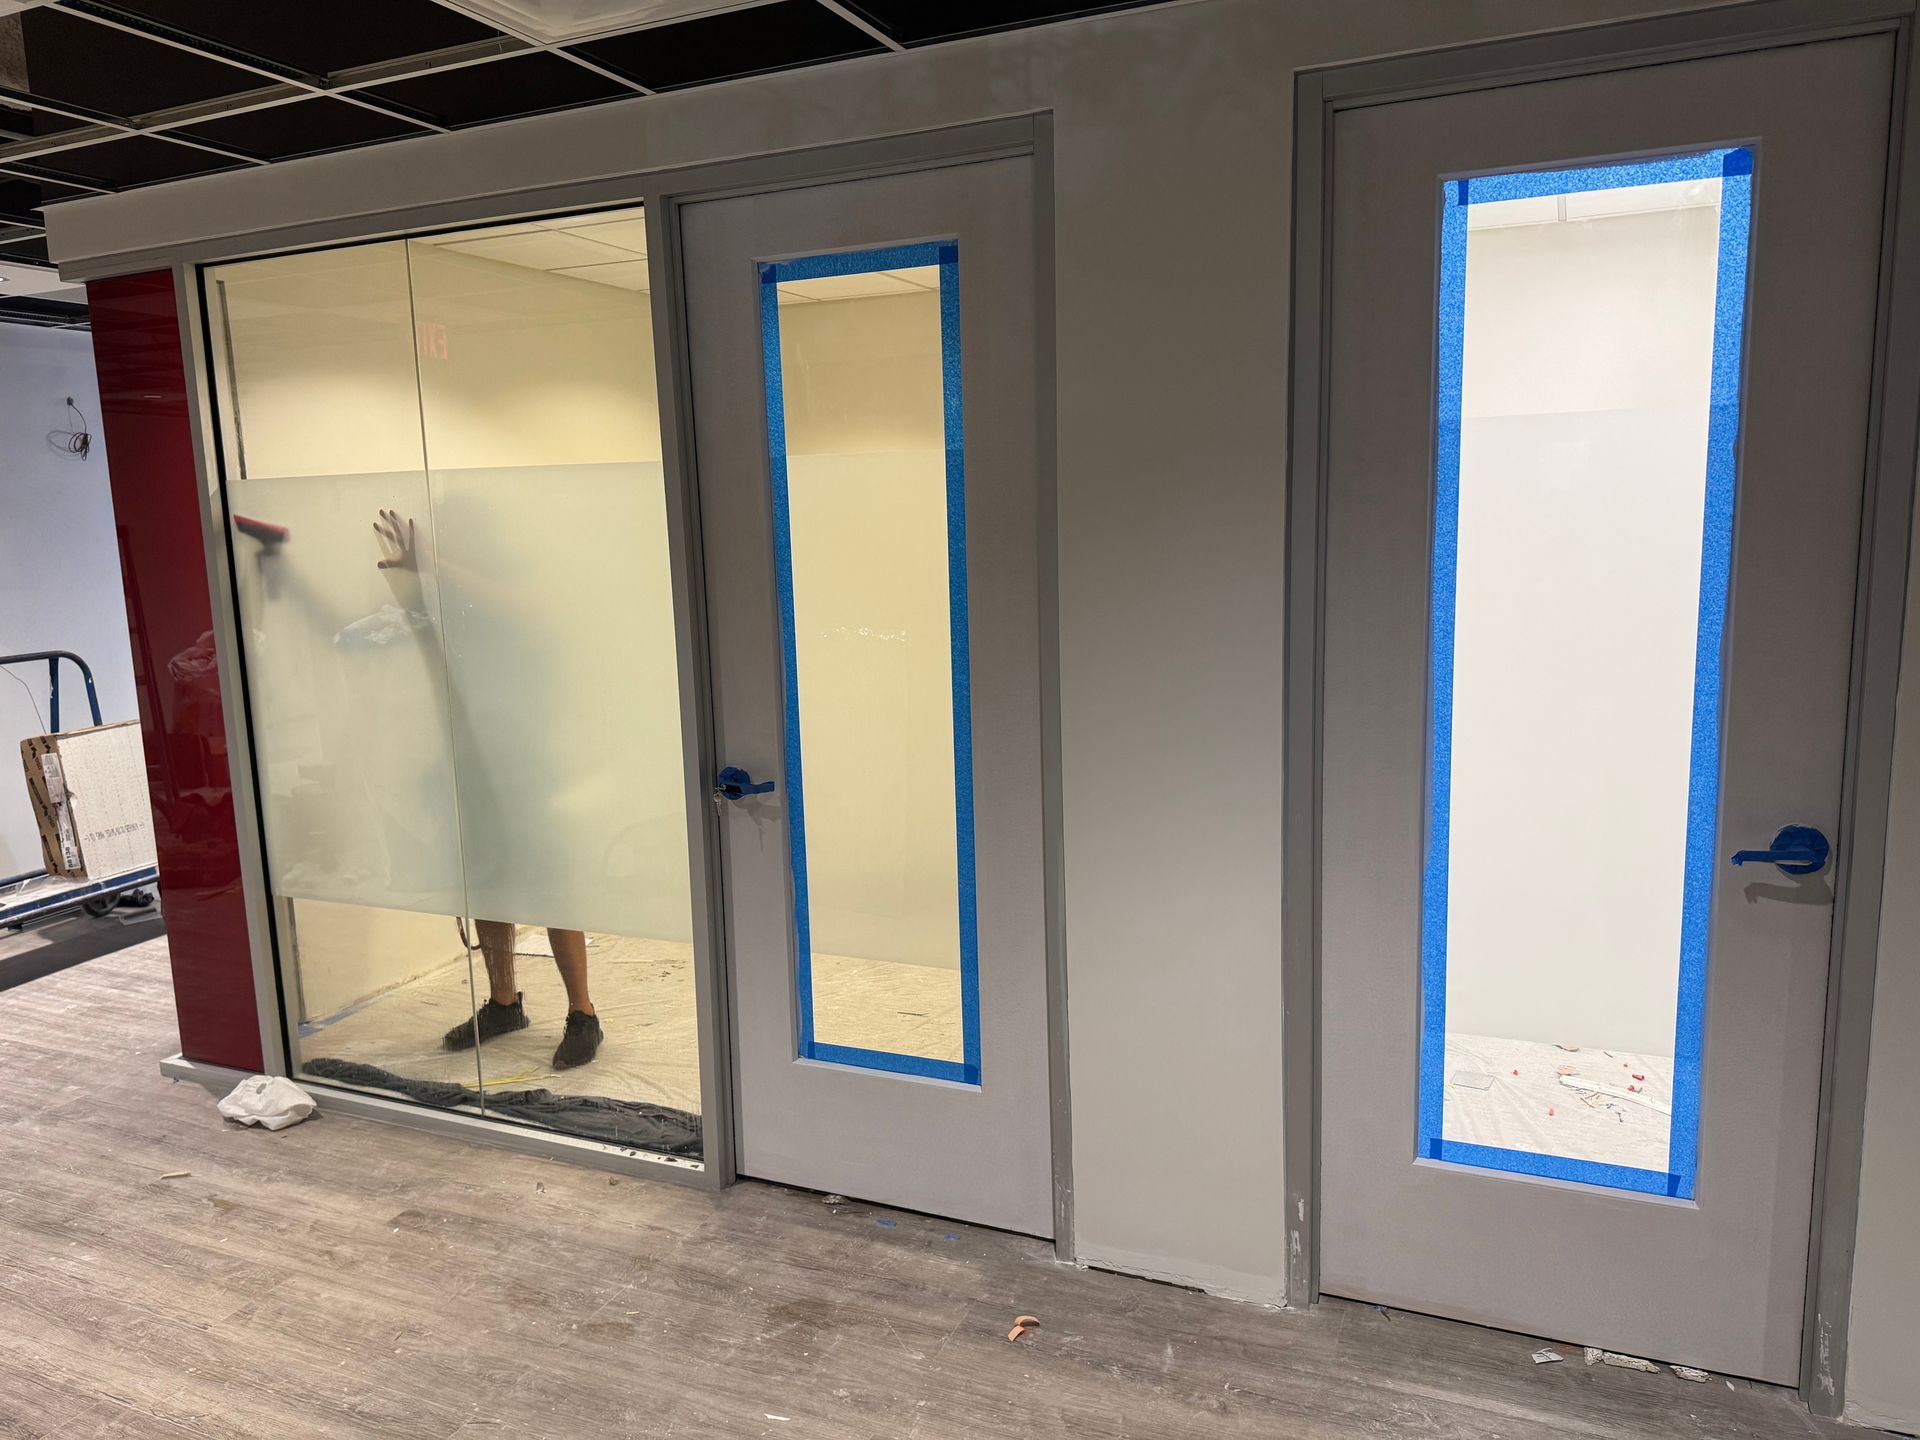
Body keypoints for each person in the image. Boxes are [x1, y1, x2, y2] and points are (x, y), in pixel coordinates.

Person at [374, 508, 604, 1070]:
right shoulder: (464, 608)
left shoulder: (516, 593)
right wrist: (406, 583)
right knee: (489, 882)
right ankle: (504, 1004)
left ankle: (584, 1015)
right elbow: (430, 648)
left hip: (527, 762)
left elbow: (532, 612)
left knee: (550, 885)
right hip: (473, 760)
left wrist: (435, 564)